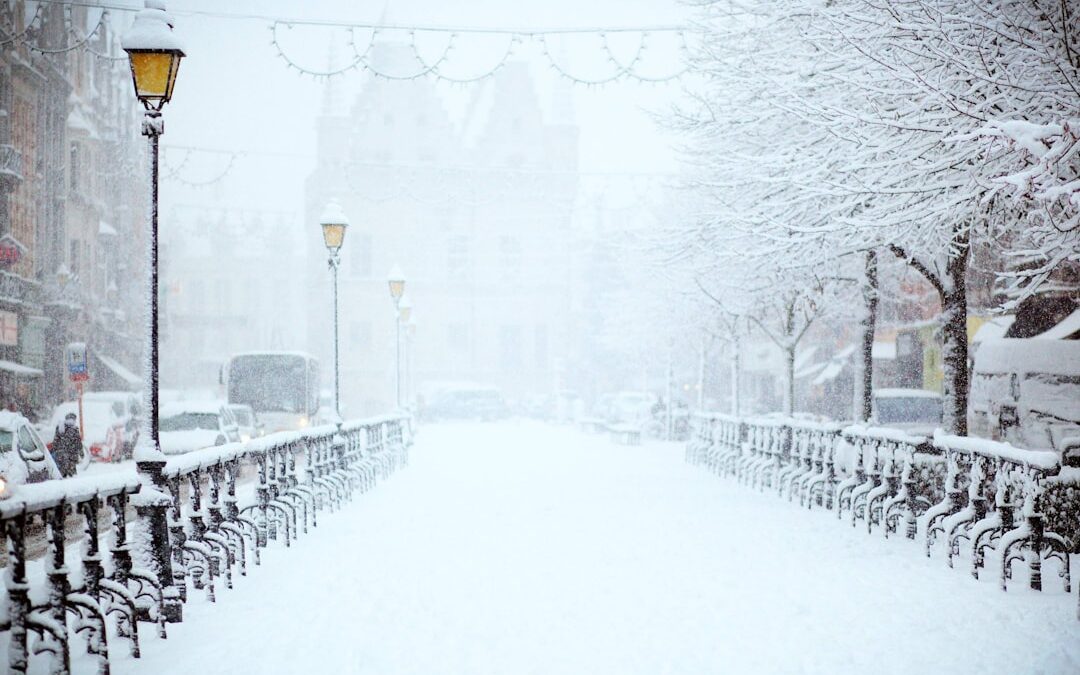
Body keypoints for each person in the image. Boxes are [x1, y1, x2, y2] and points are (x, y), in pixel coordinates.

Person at [52, 412, 83, 478]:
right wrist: (81, 452)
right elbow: (78, 442)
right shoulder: (74, 429)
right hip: (72, 456)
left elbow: (55, 441)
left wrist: (54, 450)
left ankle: (62, 486)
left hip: (61, 456)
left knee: (62, 473)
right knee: (72, 475)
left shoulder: (59, 427)